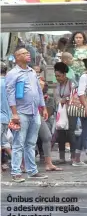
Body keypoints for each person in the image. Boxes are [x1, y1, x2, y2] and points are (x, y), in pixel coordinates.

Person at [5, 47, 48, 182]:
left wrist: (43, 107)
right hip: (21, 112)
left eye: (27, 53)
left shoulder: (32, 72)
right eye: (23, 53)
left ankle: (32, 171)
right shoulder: (13, 73)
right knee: (19, 143)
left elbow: (39, 91)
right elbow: (10, 94)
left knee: (31, 142)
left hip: (34, 112)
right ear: (17, 57)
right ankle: (16, 172)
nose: (27, 54)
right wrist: (14, 113)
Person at [54, 62, 77, 164]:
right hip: (61, 112)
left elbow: (75, 96)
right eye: (56, 76)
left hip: (71, 111)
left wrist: (65, 99)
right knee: (61, 133)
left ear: (64, 74)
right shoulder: (57, 85)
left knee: (71, 133)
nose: (57, 78)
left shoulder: (72, 83)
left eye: (59, 76)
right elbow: (56, 97)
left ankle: (73, 157)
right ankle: (62, 157)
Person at [1, 62, 12, 171]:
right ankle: (17, 163)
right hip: (7, 117)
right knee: (4, 142)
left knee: (3, 142)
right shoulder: (9, 83)